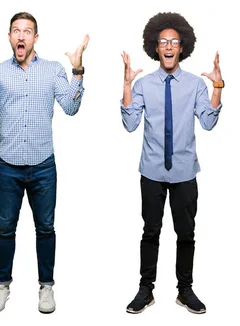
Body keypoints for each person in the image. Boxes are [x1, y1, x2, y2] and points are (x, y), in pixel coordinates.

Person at [0, 11, 89, 314]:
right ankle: (2, 285)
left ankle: (46, 287)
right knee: (5, 228)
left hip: (43, 166)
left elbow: (70, 107)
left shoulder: (54, 69)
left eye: (27, 31)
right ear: (9, 37)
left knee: (46, 228)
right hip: (8, 168)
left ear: (35, 38)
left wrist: (78, 70)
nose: (21, 36)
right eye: (16, 31)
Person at [121, 12, 223, 315]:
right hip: (151, 170)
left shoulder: (195, 85)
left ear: (182, 47)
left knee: (186, 233)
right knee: (150, 231)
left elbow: (208, 121)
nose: (168, 46)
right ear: (155, 47)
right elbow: (129, 124)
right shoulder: (143, 84)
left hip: (184, 172)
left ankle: (185, 289)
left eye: (174, 42)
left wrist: (218, 87)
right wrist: (126, 84)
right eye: (162, 41)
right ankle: (145, 289)